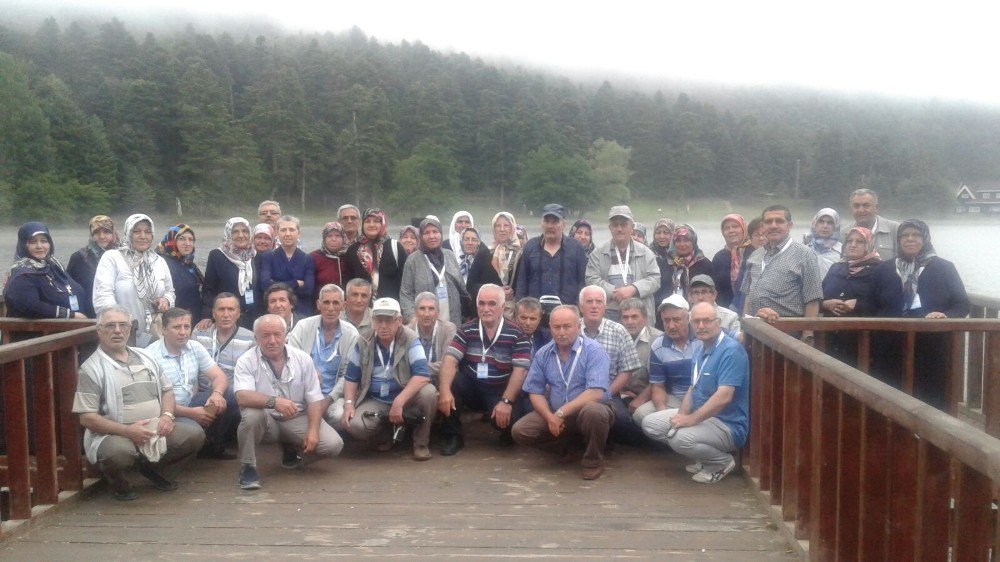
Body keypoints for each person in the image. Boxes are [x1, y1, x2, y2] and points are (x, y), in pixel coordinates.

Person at [72, 305, 204, 500]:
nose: (117, 330)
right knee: (116, 453)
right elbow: (87, 418)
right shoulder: (91, 369)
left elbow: (167, 390)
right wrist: (127, 431)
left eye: (123, 325)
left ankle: (155, 471)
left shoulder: (146, 356)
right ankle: (120, 484)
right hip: (117, 434)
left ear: (129, 328)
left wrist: (167, 416)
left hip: (155, 429)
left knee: (195, 434)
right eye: (110, 325)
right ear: (98, 331)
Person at [641, 302, 749, 484]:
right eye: (696, 321)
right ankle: (704, 458)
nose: (701, 326)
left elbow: (725, 396)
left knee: (679, 439)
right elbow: (693, 387)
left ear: (718, 322)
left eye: (706, 321)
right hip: (703, 418)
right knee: (649, 423)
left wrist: (690, 421)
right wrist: (682, 416)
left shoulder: (731, 351)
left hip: (727, 425)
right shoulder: (700, 347)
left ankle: (721, 462)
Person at [234, 314, 344, 490]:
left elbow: (314, 399)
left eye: (277, 334)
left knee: (333, 445)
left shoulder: (303, 359)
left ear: (286, 336)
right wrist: (273, 401)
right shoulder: (246, 360)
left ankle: (293, 451)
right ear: (256, 338)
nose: (272, 340)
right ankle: (248, 467)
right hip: (267, 418)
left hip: (296, 416)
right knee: (251, 415)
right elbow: (242, 396)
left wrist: (313, 430)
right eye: (265, 335)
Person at [872, 219, 969, 408]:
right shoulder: (884, 269)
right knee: (891, 396)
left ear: (926, 239)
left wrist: (945, 316)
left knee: (931, 398)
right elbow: (871, 303)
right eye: (905, 236)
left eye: (916, 235)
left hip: (931, 345)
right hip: (890, 345)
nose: (910, 239)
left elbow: (962, 304)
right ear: (898, 240)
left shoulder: (944, 268)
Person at [511, 305, 613, 480]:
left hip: (589, 410)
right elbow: (535, 391)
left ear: (578, 326)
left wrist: (560, 412)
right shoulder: (543, 353)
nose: (561, 332)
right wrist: (550, 417)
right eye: (556, 327)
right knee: (520, 431)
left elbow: (595, 392)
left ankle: (593, 461)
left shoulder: (594, 350)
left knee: (593, 412)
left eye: (567, 326)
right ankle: (569, 447)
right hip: (557, 412)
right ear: (550, 327)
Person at [437, 284, 532, 455]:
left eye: (492, 304)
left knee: (511, 426)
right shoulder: (466, 330)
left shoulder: (517, 333)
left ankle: (505, 430)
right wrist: (444, 392)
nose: (486, 308)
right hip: (474, 387)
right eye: (481, 303)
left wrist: (506, 402)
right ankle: (452, 436)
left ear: (503, 307)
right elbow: (449, 361)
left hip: (501, 390)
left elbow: (521, 371)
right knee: (453, 381)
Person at [342, 298, 438, 461]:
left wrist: (399, 402)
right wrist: (349, 404)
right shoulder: (363, 340)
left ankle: (420, 443)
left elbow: (422, 375)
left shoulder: (410, 338)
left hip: (404, 396)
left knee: (429, 393)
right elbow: (351, 376)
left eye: (389, 320)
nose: (383, 326)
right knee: (354, 424)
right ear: (373, 321)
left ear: (399, 321)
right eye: (379, 320)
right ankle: (385, 434)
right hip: (376, 398)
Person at [145, 307, 238, 460]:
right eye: (176, 327)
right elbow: (154, 401)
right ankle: (164, 462)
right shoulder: (150, 356)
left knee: (229, 394)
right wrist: (191, 413)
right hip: (166, 412)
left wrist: (216, 394)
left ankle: (213, 447)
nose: (183, 332)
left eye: (187, 326)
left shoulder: (194, 347)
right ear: (164, 330)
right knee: (195, 432)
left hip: (191, 402)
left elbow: (219, 377)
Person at [740, 206, 822, 344]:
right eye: (768, 221)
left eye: (779, 221)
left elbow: (812, 299)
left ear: (789, 225)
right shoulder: (755, 255)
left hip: (788, 335)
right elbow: (748, 296)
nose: (773, 226)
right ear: (763, 226)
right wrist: (744, 328)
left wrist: (808, 335)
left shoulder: (805, 254)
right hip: (755, 334)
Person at [93, 214, 175, 347]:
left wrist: (166, 301)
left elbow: (170, 292)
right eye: (137, 231)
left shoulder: (159, 261)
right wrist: (118, 323)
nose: (143, 236)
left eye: (148, 232)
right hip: (121, 334)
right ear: (128, 233)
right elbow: (102, 295)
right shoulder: (112, 258)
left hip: (156, 332)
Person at [288, 284, 360, 428]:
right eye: (326, 302)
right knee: (289, 409)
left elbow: (348, 375)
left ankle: (324, 439)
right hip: (302, 390)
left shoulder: (351, 333)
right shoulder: (303, 326)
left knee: (338, 415)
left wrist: (327, 401)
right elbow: (289, 360)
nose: (331, 308)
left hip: (333, 395)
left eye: (336, 303)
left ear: (344, 305)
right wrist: (309, 372)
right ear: (318, 304)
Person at [578, 285, 643, 445]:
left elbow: (627, 370)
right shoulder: (571, 328)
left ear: (605, 306)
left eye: (598, 301)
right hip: (575, 391)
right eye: (589, 301)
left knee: (622, 421)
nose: (594, 306)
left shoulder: (619, 331)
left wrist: (606, 394)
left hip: (609, 392)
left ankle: (603, 445)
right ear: (580, 306)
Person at [585, 205, 660, 322]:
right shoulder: (598, 253)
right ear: (610, 228)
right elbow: (591, 278)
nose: (619, 229)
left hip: (640, 315)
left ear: (632, 227)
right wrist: (614, 291)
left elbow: (655, 279)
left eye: (623, 224)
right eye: (615, 225)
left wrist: (633, 289)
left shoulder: (646, 253)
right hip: (609, 315)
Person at [632, 295, 696, 427]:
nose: (671, 325)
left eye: (676, 320)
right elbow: (658, 386)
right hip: (675, 399)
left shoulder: (701, 338)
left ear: (688, 319)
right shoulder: (658, 345)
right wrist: (662, 413)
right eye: (666, 320)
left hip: (701, 398)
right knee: (640, 414)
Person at [821, 227, 881, 365]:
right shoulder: (836, 268)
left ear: (869, 245)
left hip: (863, 340)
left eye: (859, 241)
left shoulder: (881, 270)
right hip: (830, 338)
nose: (852, 245)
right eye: (849, 241)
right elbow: (818, 296)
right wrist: (825, 304)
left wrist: (858, 304)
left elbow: (886, 302)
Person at [4, 222, 86, 319]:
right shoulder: (21, 274)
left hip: (71, 326)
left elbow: (72, 288)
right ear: (24, 245)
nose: (39, 246)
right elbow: (32, 307)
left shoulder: (53, 265)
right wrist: (72, 315)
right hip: (39, 331)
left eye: (44, 241)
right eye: (33, 242)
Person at [515, 204, 588, 306]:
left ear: (564, 224)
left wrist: (578, 311)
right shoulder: (530, 247)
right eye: (547, 221)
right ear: (541, 223)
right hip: (534, 313)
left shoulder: (576, 248)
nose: (550, 226)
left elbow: (583, 283)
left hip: (566, 313)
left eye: (555, 222)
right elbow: (522, 283)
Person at [400, 217, 466, 326]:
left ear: (441, 234)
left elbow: (461, 287)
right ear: (420, 236)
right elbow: (406, 294)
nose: (431, 236)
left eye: (435, 232)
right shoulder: (413, 260)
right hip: (423, 320)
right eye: (426, 233)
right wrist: (412, 317)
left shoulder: (449, 255)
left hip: (452, 320)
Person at [201, 217, 258, 330]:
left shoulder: (254, 256)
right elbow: (209, 288)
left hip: (251, 317)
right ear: (228, 234)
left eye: (245, 231)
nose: (241, 235)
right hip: (226, 317)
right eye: (235, 232)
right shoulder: (217, 255)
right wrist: (206, 315)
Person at [344, 208, 407, 301]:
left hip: (390, 307)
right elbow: (348, 281)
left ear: (383, 224)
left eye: (376, 221)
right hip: (362, 307)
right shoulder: (353, 250)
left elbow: (405, 282)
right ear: (362, 224)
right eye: (367, 221)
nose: (371, 225)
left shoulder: (395, 247)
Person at [193, 293, 255, 387]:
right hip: (203, 394)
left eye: (231, 309)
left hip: (233, 396)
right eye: (221, 309)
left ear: (238, 313)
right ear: (213, 313)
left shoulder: (250, 338)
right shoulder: (199, 334)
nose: (226, 315)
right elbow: (191, 370)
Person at [468, 212, 522, 319]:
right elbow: (471, 285)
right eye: (498, 225)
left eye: (506, 225)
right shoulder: (484, 253)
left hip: (513, 313)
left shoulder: (520, 254)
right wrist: (496, 291)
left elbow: (523, 283)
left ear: (512, 228)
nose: (502, 229)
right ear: (494, 229)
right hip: (487, 312)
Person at [617, 297, 662, 421]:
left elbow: (659, 379)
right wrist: (620, 392)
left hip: (648, 395)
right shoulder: (615, 337)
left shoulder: (658, 339)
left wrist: (640, 399)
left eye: (634, 316)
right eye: (625, 317)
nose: (630, 321)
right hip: (619, 393)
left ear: (645, 318)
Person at [260, 215, 315, 316]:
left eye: (292, 230)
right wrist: (296, 283)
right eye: (283, 230)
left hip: (302, 311)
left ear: (298, 233)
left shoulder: (307, 258)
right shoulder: (268, 257)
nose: (287, 234)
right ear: (277, 233)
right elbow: (265, 285)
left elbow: (308, 290)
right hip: (276, 310)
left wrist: (276, 283)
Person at [67, 215, 119, 318]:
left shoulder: (122, 255)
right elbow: (69, 288)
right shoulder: (79, 257)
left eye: (107, 232)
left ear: (113, 234)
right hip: (89, 315)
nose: (102, 236)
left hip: (119, 314)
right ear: (91, 234)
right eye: (97, 232)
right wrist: (75, 312)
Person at [156, 224, 205, 324]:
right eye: (182, 239)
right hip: (175, 323)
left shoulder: (189, 265)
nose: (187, 243)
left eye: (191, 240)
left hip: (192, 321)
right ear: (172, 240)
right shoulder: (160, 263)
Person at [406, 292, 458, 385]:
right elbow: (403, 365)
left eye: (431, 309)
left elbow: (447, 363)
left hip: (441, 380)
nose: (427, 314)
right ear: (415, 312)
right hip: (412, 381)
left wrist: (418, 368)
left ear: (438, 312)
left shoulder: (449, 329)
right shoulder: (407, 331)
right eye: (422, 308)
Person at [843, 188, 900, 260]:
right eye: (856, 206)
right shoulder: (844, 233)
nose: (861, 210)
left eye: (866, 205)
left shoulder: (894, 229)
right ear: (851, 209)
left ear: (876, 207)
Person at [710, 214, 751, 309]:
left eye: (735, 227)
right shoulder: (719, 257)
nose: (731, 230)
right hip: (724, 311)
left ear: (743, 229)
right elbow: (714, 287)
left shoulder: (754, 252)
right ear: (723, 232)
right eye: (727, 228)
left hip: (750, 310)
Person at [664, 224, 711, 302]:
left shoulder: (704, 264)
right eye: (678, 240)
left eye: (686, 240)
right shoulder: (667, 264)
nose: (682, 244)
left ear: (693, 241)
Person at [688, 275, 741, 341]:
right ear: (691, 297)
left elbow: (737, 345)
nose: (700, 297)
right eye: (696, 293)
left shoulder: (730, 318)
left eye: (704, 292)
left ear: (714, 295)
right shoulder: (687, 319)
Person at [730, 218, 765, 316]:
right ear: (750, 238)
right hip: (741, 310)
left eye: (764, 234)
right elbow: (741, 292)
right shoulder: (747, 258)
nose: (761, 238)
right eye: (757, 235)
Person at [311, 221, 348, 300]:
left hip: (345, 304)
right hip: (322, 304)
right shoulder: (314, 257)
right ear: (324, 238)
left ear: (343, 238)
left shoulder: (349, 256)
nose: (333, 239)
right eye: (329, 236)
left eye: (337, 236)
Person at [804, 208, 842, 278]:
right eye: (821, 221)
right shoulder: (804, 248)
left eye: (830, 223)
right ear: (815, 224)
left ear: (836, 226)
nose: (825, 226)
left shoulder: (842, 251)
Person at [649, 218, 676, 310]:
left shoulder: (679, 254)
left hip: (673, 304)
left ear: (673, 234)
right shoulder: (647, 254)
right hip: (652, 304)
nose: (661, 236)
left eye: (666, 233)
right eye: (658, 232)